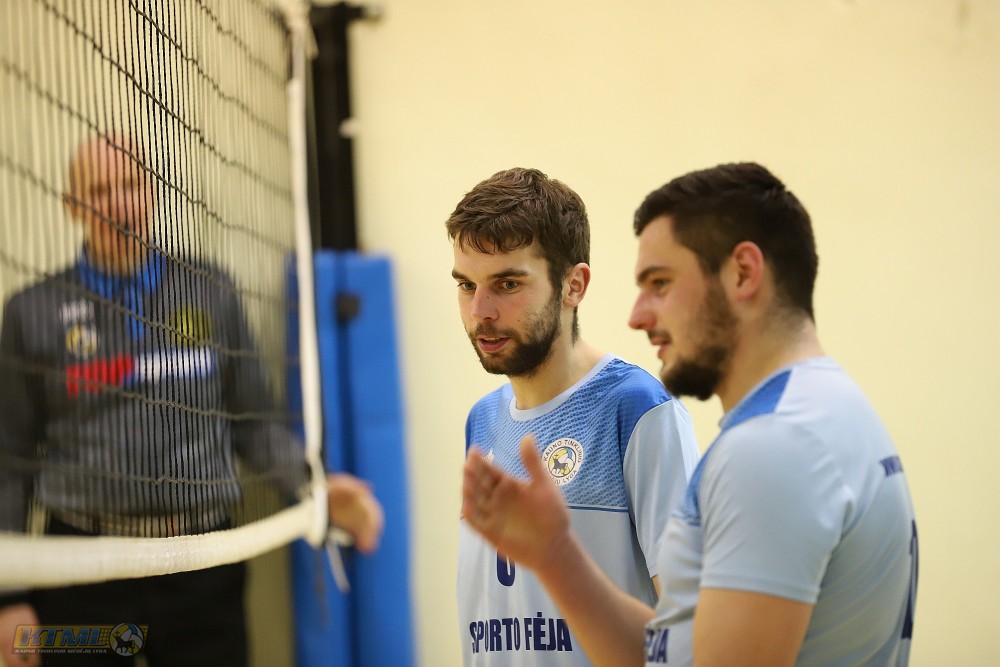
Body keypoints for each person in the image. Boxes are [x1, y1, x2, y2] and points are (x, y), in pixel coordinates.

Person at [462, 162, 919, 666]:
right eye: (465, 284)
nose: (638, 316)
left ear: (743, 273)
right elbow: (675, 654)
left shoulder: (774, 446)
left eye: (660, 283)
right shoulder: (833, 409)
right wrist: (557, 557)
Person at [0, 134, 384, 667]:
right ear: (72, 206)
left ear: (153, 194)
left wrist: (310, 486)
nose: (119, 204)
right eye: (100, 190)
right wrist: (9, 597)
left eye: (131, 185)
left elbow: (254, 424)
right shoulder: (31, 313)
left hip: (200, 562)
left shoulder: (210, 290)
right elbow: (10, 460)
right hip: (83, 569)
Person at [446, 167, 700, 666]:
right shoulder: (482, 421)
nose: (481, 311)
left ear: (573, 285)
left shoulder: (637, 408)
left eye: (507, 283)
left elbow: (693, 637)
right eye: (466, 285)